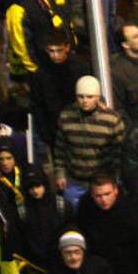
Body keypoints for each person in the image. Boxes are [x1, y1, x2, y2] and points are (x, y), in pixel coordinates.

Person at [53, 76, 126, 210]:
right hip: (75, 180)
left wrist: (115, 179)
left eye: (89, 96)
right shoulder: (66, 116)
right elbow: (60, 148)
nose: (84, 101)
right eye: (80, 96)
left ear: (97, 97)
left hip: (102, 182)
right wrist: (60, 173)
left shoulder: (112, 119)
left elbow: (119, 153)